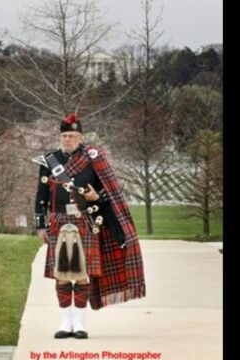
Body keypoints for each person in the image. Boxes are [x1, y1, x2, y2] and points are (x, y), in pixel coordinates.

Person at [34, 113, 146, 339]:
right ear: (60, 136)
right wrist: (41, 225)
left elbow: (112, 190)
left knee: (83, 274)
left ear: (80, 136)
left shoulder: (93, 158)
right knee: (62, 274)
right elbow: (42, 195)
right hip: (58, 222)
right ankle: (65, 323)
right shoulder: (49, 161)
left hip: (85, 222)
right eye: (65, 135)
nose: (68, 140)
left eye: (73, 136)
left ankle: (80, 324)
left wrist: (97, 196)